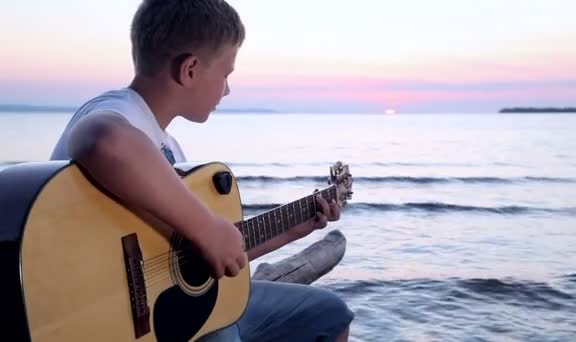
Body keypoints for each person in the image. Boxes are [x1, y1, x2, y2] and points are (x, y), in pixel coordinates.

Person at [49, 0, 354, 341]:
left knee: (330, 314)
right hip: (102, 316)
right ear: (190, 69)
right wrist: (207, 226)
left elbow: (197, 261)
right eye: (225, 74)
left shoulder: (169, 149)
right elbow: (103, 140)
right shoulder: (119, 113)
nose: (226, 89)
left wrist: (289, 231)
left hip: (156, 310)